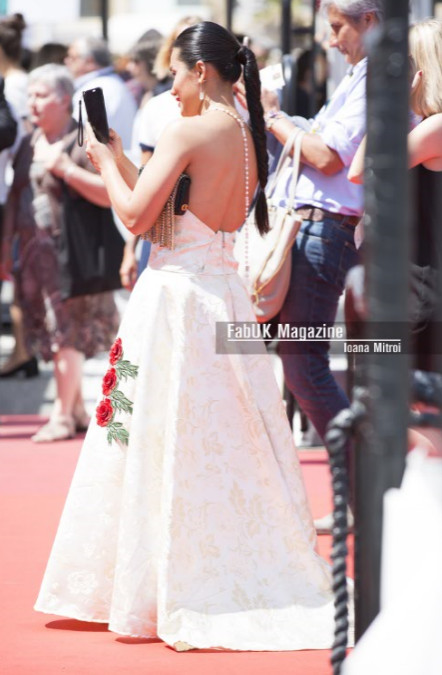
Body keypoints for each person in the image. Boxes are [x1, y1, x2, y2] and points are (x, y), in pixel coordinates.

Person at [34, 22, 339, 651]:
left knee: (157, 435)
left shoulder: (188, 130)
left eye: (175, 73)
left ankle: (155, 579)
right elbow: (173, 219)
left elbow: (138, 219)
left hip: (176, 302)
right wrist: (120, 157)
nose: (170, 88)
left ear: (201, 71)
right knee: (222, 442)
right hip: (221, 298)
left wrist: (100, 160)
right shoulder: (247, 136)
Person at [258, 0, 382, 444]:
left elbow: (326, 157)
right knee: (296, 363)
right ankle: (359, 472)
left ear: (369, 20)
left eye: (336, 27)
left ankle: (361, 472)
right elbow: (318, 142)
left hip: (325, 229)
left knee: (303, 366)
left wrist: (273, 116)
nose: (330, 41)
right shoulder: (363, 73)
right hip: (316, 227)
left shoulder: (376, 74)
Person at [1, 65, 119, 438]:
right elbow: (16, 195)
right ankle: (77, 409)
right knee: (54, 333)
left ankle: (62, 415)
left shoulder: (83, 140)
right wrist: (6, 247)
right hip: (35, 257)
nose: (33, 103)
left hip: (72, 258)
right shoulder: (28, 141)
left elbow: (110, 193)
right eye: (30, 95)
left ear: (65, 99)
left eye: (41, 95)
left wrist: (66, 168)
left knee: (66, 333)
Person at [348, 17, 442, 456]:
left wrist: (389, 105)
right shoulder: (429, 128)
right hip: (418, 288)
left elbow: (359, 170)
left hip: (419, 291)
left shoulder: (434, 128)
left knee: (402, 413)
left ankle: (420, 492)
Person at [65, 37, 137, 150]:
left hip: (106, 157)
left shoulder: (93, 88)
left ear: (89, 61)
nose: (66, 61)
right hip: (117, 156)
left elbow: (77, 135)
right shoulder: (113, 83)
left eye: (72, 57)